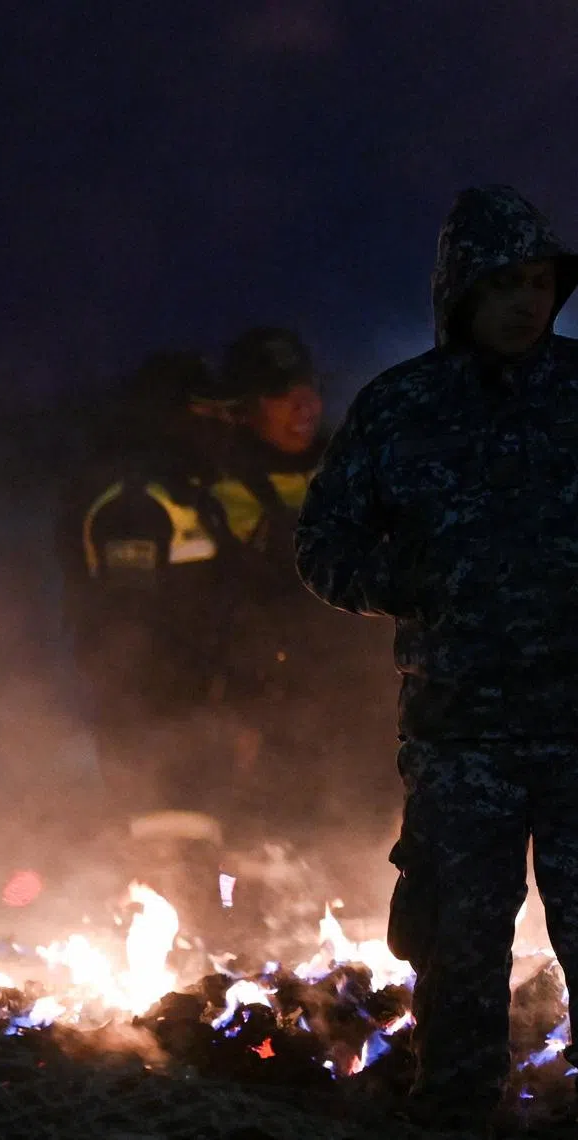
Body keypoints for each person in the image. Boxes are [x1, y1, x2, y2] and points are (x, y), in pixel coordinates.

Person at [295, 185, 578, 1138]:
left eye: (539, 284)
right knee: (457, 939)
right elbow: (323, 543)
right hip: (461, 735)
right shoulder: (400, 409)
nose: (527, 304)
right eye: (505, 286)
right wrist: (406, 578)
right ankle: (456, 1109)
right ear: (461, 292)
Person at [56, 350, 236, 917]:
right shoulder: (134, 504)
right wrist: (179, 715)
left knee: (197, 854)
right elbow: (124, 637)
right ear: (171, 417)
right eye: (206, 412)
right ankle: (174, 984)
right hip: (156, 725)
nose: (222, 425)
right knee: (166, 862)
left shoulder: (189, 493)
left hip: (196, 714)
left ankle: (199, 977)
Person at [204, 327, 394, 843]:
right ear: (244, 407)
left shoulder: (353, 466)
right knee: (276, 847)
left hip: (362, 698)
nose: (303, 403)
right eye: (279, 393)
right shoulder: (211, 487)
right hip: (271, 709)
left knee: (369, 844)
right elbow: (213, 614)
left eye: (307, 386)